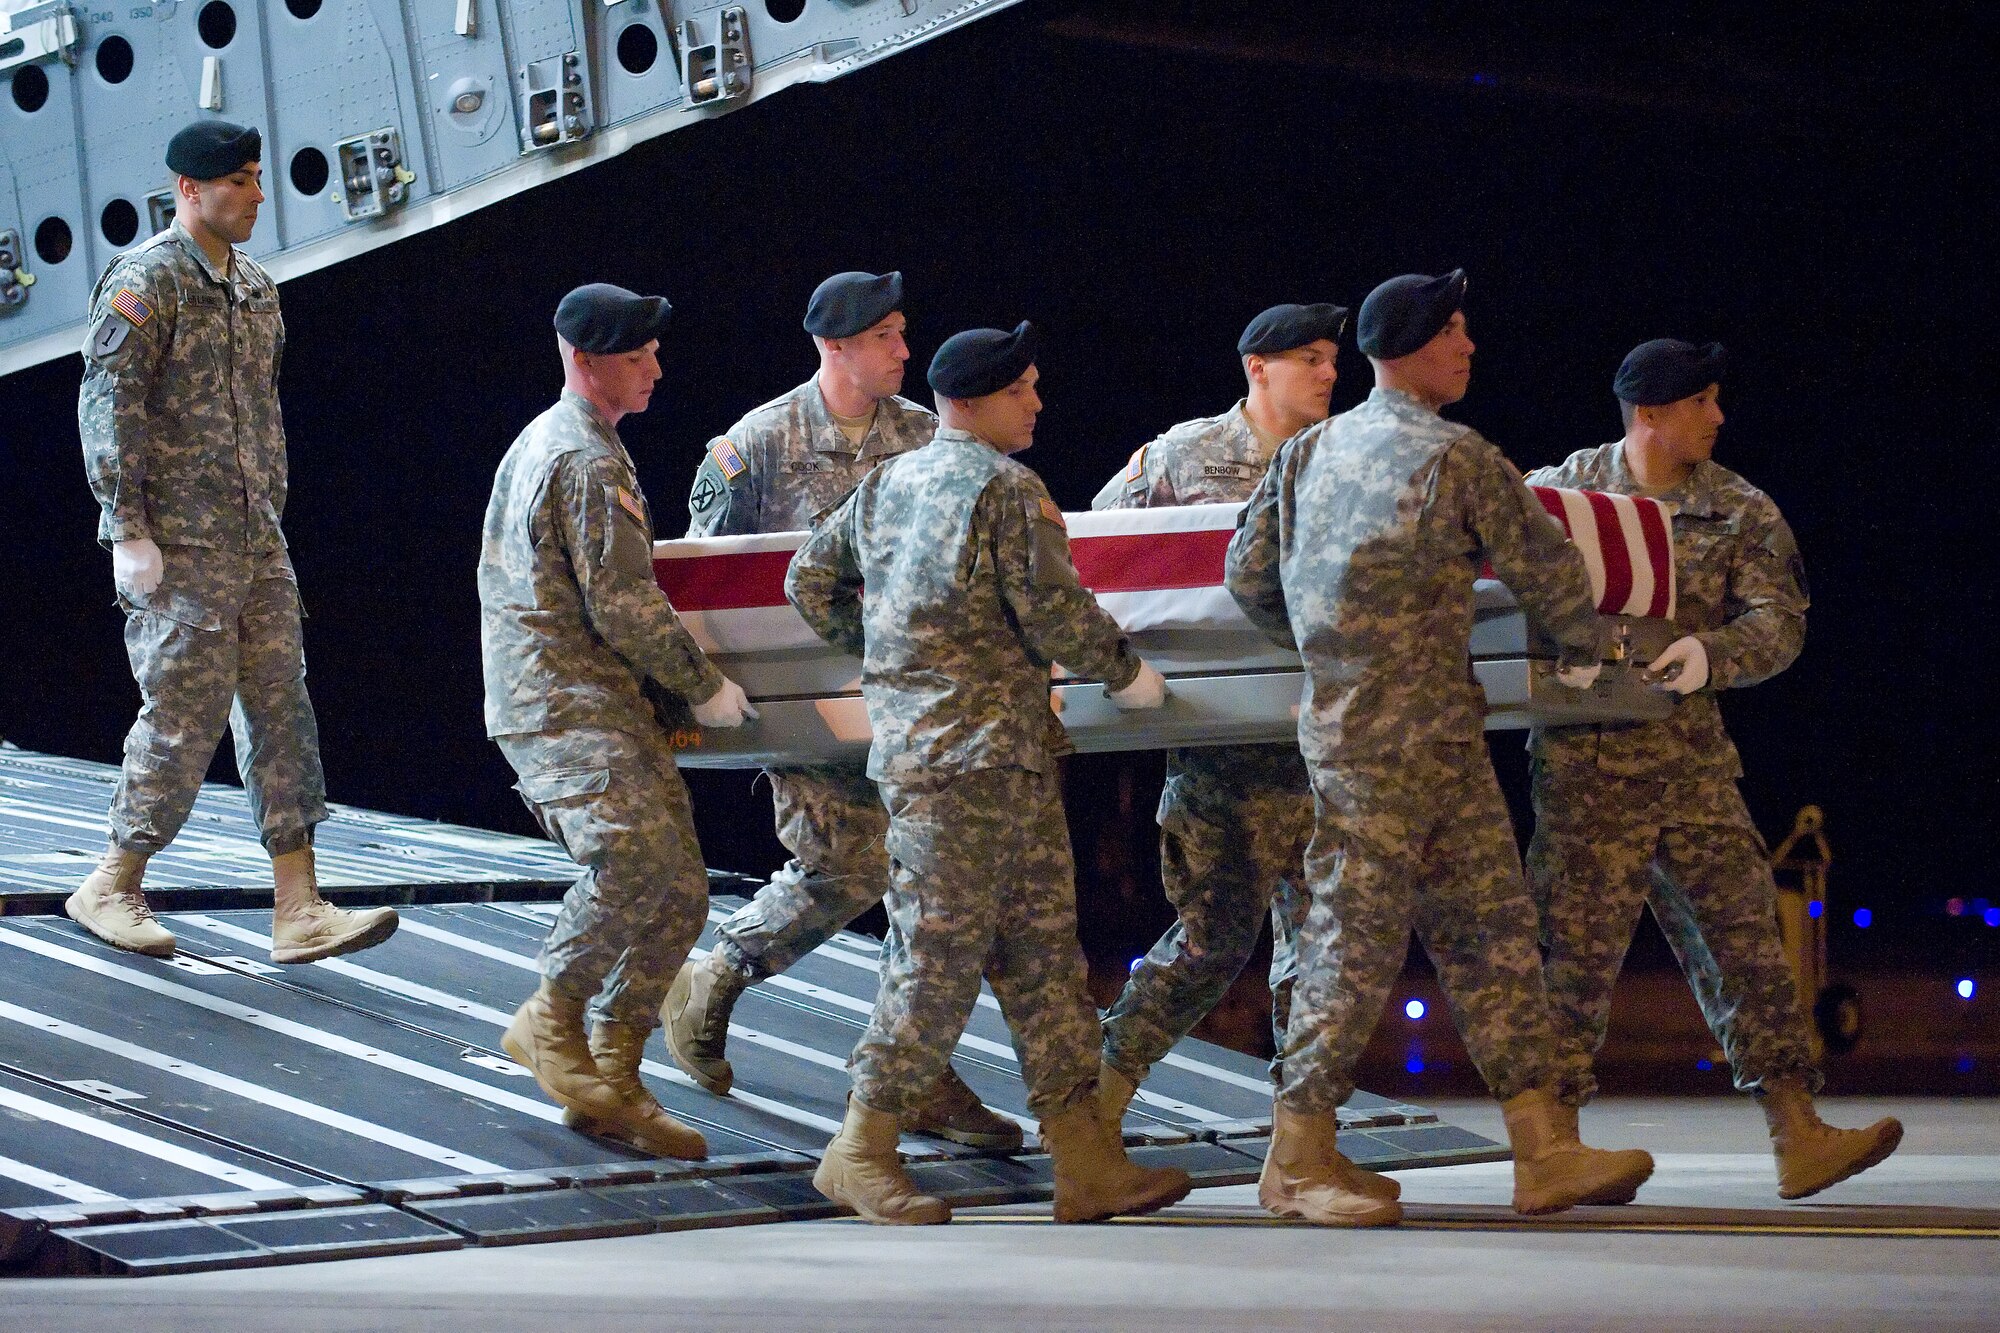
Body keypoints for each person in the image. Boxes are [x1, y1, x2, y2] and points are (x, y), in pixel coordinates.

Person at [1225, 270, 1655, 1226]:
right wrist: (1593, 652)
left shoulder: (1305, 455)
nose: (1468, 347)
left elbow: (1246, 576)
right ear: (1417, 345)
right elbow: (1550, 573)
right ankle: (1295, 1160)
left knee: (1491, 934)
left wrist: (1331, 647)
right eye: (1455, 330)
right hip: (1412, 744)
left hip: (1378, 737)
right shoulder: (1459, 457)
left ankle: (1543, 1150)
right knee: (1358, 944)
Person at [786, 322, 1190, 1225]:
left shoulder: (885, 485)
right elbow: (1054, 610)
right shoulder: (1008, 489)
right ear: (971, 402)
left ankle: (1084, 1159)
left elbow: (807, 580)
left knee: (1044, 961)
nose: (1036, 403)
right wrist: (1126, 673)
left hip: (979, 763)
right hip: (971, 768)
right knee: (936, 963)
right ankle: (860, 1149)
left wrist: (891, 658)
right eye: (1020, 390)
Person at [1525, 338, 1901, 1199]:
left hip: (1691, 767)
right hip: (1586, 771)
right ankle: (1552, 1148)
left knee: (1748, 948)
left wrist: (1712, 654)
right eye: (1702, 401)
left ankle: (1797, 1132)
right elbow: (1495, 579)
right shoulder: (1563, 494)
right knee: (1570, 962)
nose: (1719, 417)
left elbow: (1781, 620)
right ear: (1651, 412)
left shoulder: (1739, 508)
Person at [665, 273, 1016, 1148]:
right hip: (806, 706)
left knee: (933, 885)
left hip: (916, 704)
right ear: (835, 346)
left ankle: (915, 1073)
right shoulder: (758, 444)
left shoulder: (924, 435)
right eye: (886, 336)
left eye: (902, 332)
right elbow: (707, 582)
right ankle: (719, 971)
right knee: (850, 866)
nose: (905, 350)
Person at [72, 119, 397, 964]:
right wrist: (127, 529)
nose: (258, 195)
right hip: (179, 547)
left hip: (255, 542)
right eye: (240, 181)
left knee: (282, 712)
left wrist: (268, 517)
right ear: (190, 189)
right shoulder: (147, 282)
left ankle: (299, 905)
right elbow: (108, 407)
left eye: (256, 177)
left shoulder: (254, 287)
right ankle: (111, 882)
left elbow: (262, 409)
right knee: (183, 717)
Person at [478, 282, 757, 1160]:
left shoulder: (566, 441)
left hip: (590, 700)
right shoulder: (583, 459)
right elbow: (624, 602)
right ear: (584, 361)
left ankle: (611, 1076)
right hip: (564, 702)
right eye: (636, 356)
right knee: (629, 863)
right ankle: (551, 1016)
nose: (655, 368)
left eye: (654, 352)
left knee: (680, 892)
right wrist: (703, 686)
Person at [1089, 303, 1347, 1124]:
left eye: (1332, 357)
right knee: (1210, 944)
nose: (1329, 372)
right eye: (1310, 358)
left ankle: (1303, 1136)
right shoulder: (1182, 456)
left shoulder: (1348, 458)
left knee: (1325, 953)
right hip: (1224, 752)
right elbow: (1095, 555)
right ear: (1257, 368)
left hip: (1328, 742)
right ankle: (1095, 1101)